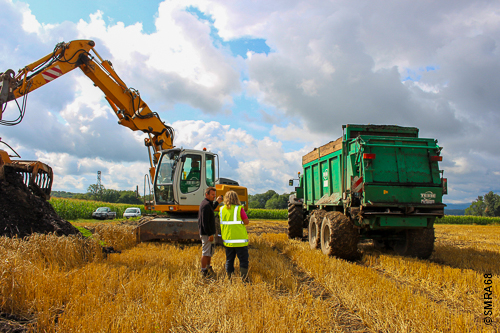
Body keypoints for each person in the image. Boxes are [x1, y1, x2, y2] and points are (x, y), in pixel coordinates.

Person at [219, 190, 250, 280]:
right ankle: (244, 279)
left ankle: (229, 278)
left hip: (228, 240)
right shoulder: (239, 208)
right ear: (236, 198)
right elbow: (246, 222)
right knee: (243, 260)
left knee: (229, 260)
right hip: (240, 240)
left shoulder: (222, 209)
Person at [198, 187, 223, 277]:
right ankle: (203, 270)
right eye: (212, 195)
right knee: (205, 252)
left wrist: (217, 202)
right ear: (206, 194)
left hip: (209, 233)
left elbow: (212, 208)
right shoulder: (205, 205)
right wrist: (209, 234)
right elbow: (205, 222)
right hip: (206, 234)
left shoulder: (207, 204)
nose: (214, 196)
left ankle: (208, 267)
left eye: (214, 195)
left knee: (209, 252)